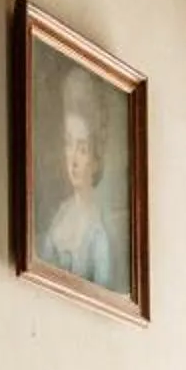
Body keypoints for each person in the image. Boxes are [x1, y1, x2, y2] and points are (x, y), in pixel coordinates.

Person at [40, 98, 116, 288]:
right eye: (69, 144)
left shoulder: (98, 233)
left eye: (82, 150)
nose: (72, 159)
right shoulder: (61, 214)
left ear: (96, 160)